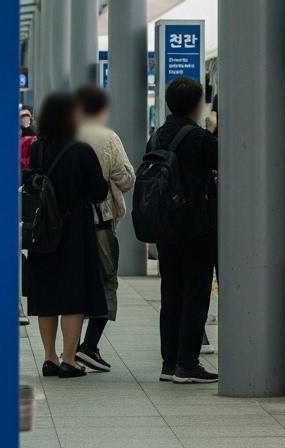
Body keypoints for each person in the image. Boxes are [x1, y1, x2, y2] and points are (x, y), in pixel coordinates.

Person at [23, 92, 108, 378]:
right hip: (73, 231)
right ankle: (68, 360)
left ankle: (49, 358)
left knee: (46, 293)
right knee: (73, 293)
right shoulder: (80, 150)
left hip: (42, 232)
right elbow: (99, 192)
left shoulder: (38, 149)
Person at [150, 77, 219, 384]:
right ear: (196, 104)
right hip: (196, 228)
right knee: (195, 293)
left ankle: (169, 362)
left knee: (171, 292)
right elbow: (224, 161)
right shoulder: (199, 138)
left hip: (166, 227)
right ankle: (188, 363)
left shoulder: (158, 135)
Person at [73, 85, 135, 372]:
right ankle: (89, 344)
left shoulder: (61, 135)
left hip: (66, 223)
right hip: (99, 221)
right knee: (106, 280)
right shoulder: (107, 137)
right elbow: (126, 178)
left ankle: (67, 352)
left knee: (73, 283)